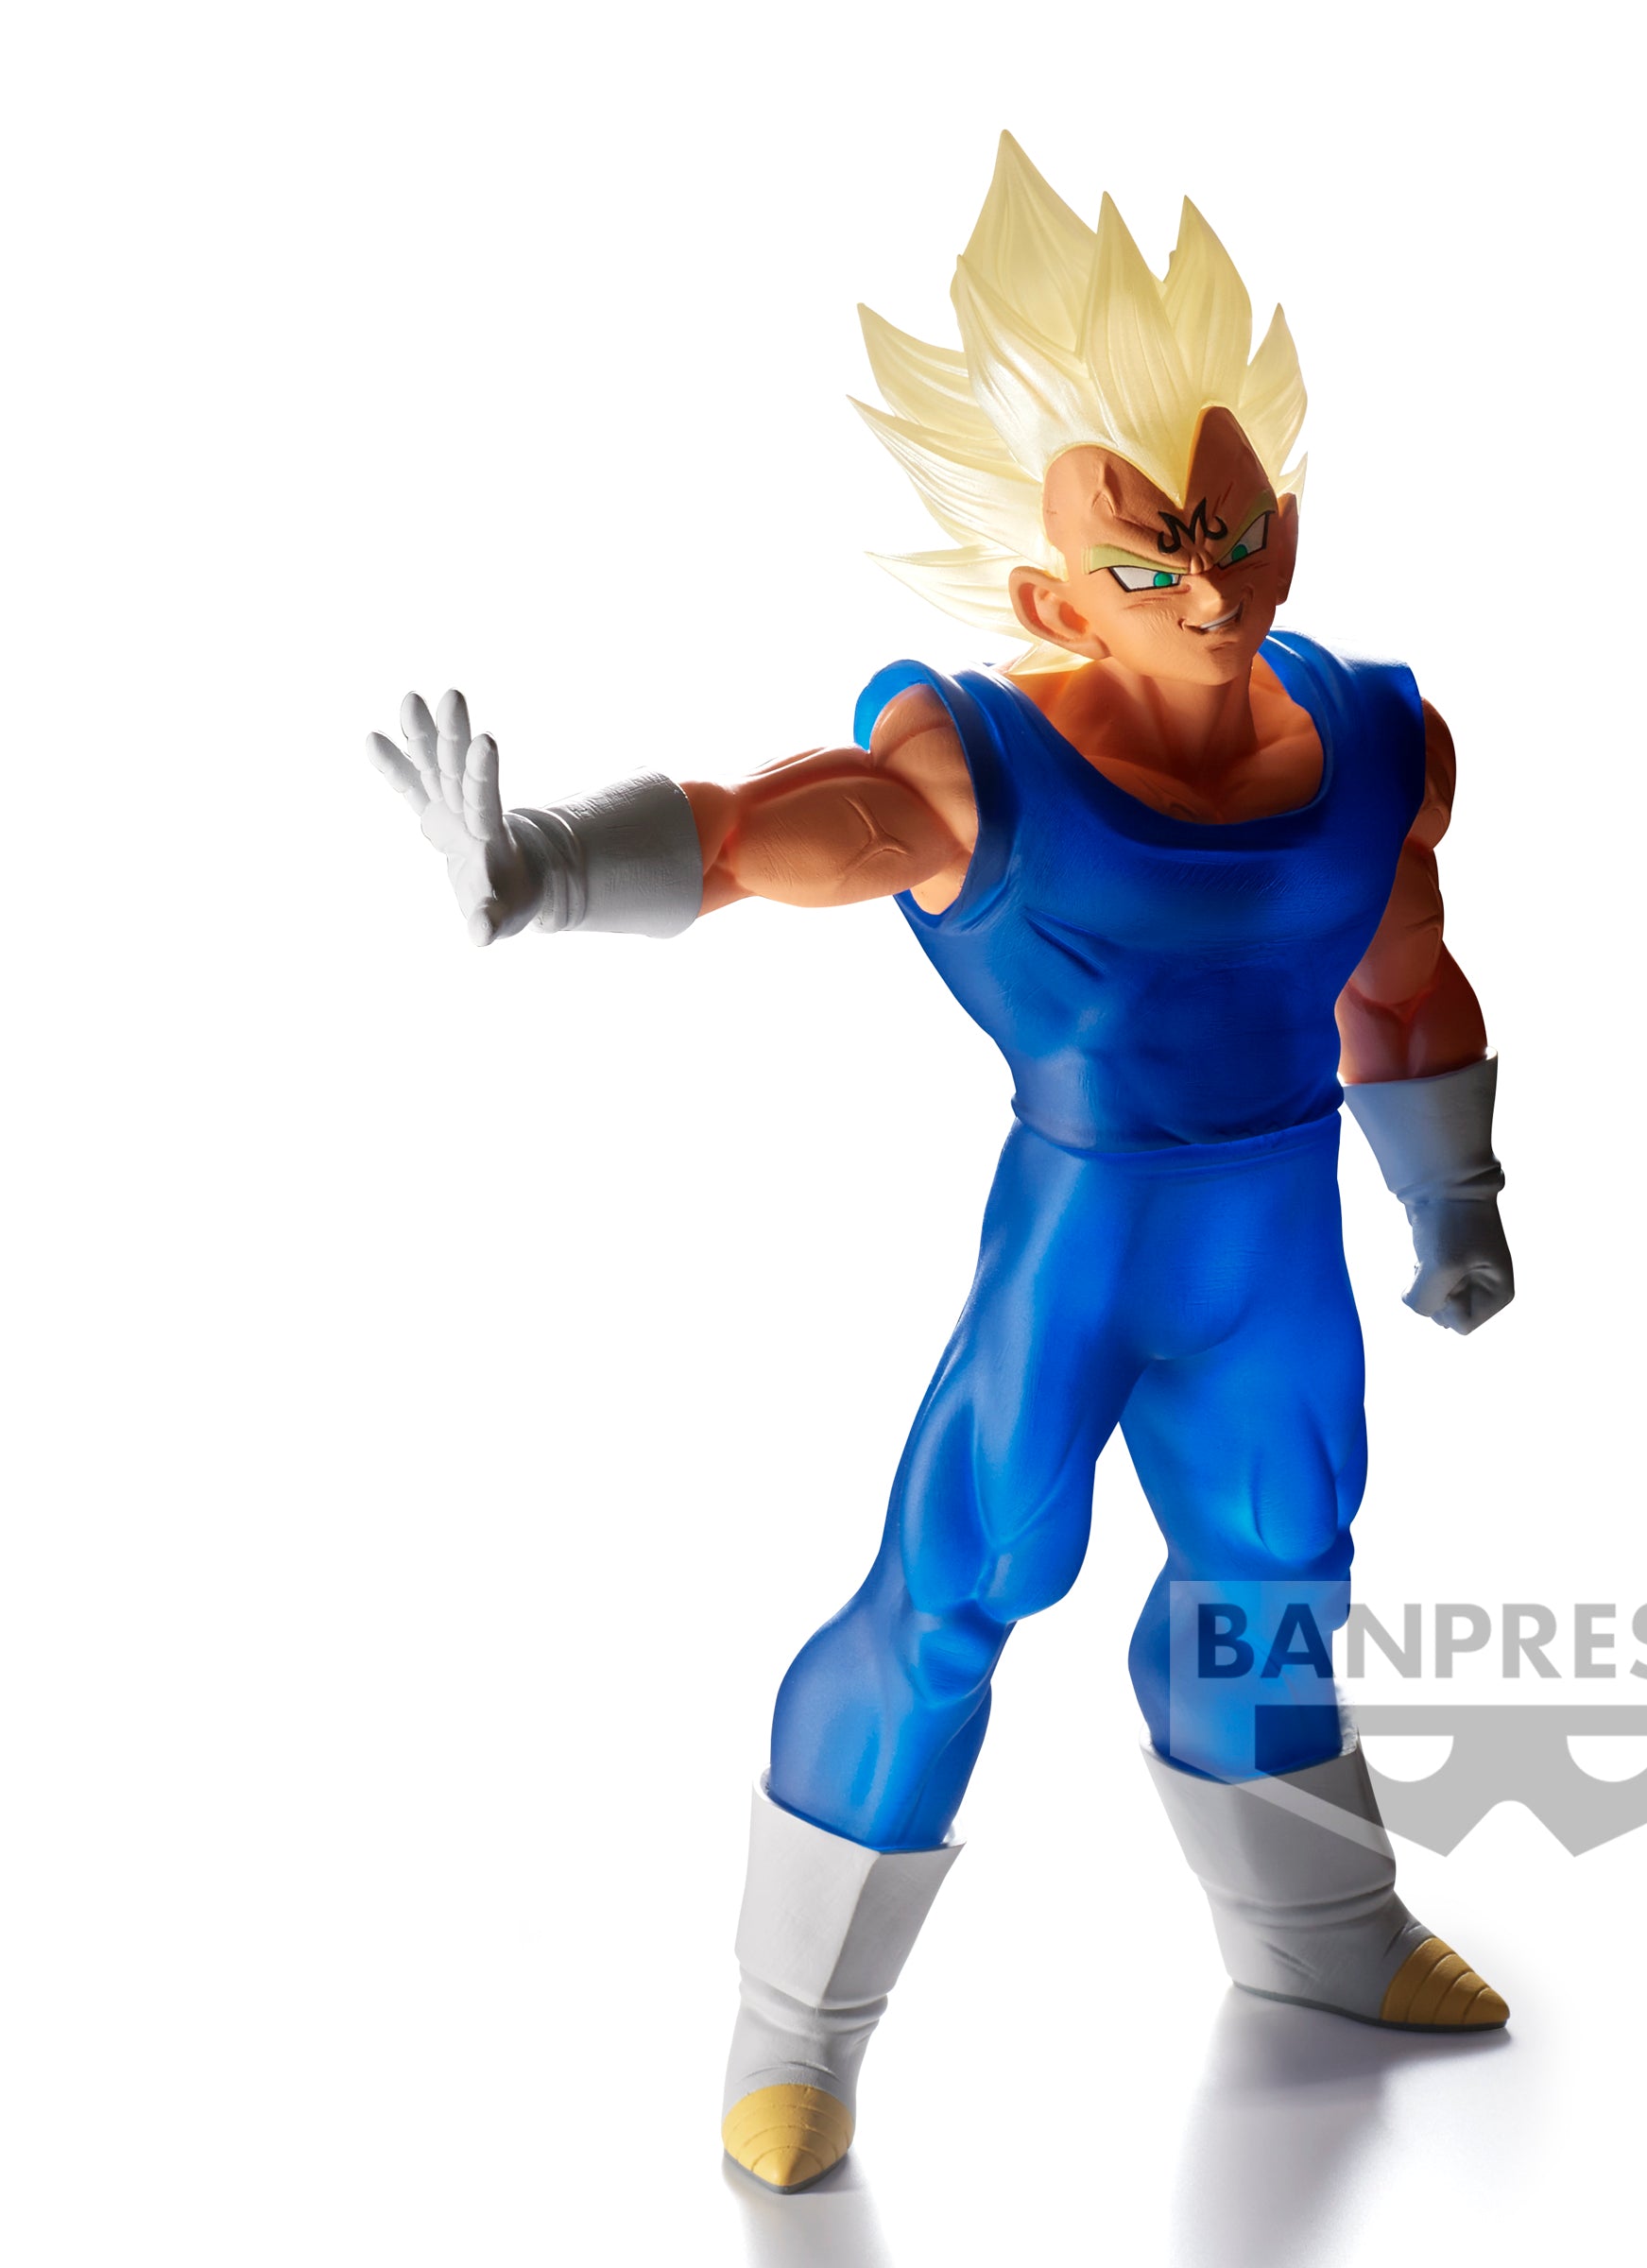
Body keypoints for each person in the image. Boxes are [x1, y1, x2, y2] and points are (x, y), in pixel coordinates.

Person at [366, 133, 1515, 2195]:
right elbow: (766, 834)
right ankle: (794, 2035)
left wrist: (1457, 1193)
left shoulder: (1374, 746)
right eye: (1151, 562)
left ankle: (1319, 1930)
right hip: (1084, 1244)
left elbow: (1404, 979)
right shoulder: (981, 771)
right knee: (961, 1587)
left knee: (1281, 1572)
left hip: (1275, 1247)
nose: (1214, 588)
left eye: (1237, 530)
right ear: (1049, 599)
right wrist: (542, 870)